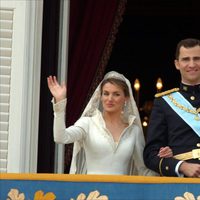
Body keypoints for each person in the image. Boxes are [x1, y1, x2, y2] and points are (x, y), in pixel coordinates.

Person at [47, 71, 168, 175]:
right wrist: (59, 104)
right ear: (100, 96)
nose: (110, 99)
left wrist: (164, 165)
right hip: (93, 194)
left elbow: (143, 170)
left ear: (126, 99)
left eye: (116, 94)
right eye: (106, 93)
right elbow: (60, 137)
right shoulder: (87, 123)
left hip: (122, 194)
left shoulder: (133, 130)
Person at [143, 38, 200, 177]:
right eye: (186, 59)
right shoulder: (164, 102)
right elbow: (151, 154)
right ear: (177, 64)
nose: (192, 64)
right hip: (181, 186)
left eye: (197, 58)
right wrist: (181, 166)